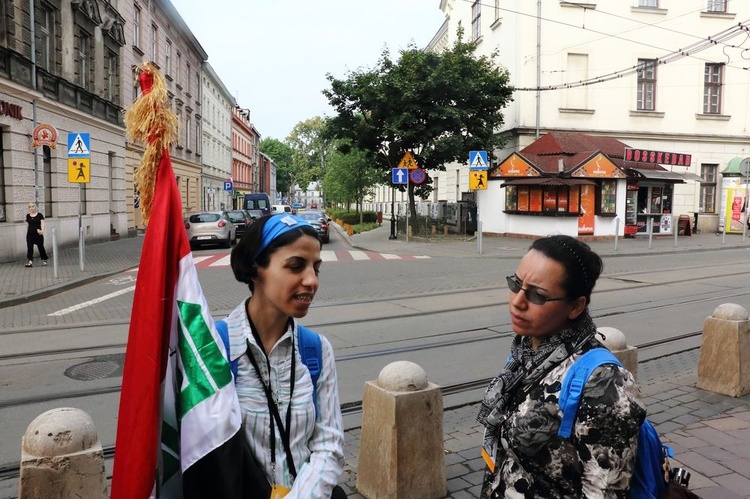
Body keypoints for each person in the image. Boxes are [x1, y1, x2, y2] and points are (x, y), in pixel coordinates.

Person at [477, 235, 645, 498]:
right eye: (516, 284)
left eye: (537, 295)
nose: (517, 301)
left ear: (576, 306)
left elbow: (604, 492)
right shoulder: (527, 352)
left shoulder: (604, 384)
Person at [226, 213, 345, 498]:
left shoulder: (316, 350)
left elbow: (329, 444)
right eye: (295, 266)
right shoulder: (215, 349)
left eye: (316, 268)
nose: (312, 280)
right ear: (256, 269)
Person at [25, 202, 49, 268]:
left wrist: (42, 230)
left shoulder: (39, 215)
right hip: (30, 234)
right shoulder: (28, 216)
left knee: (40, 247)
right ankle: (30, 261)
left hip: (38, 234)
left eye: (33, 206)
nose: (31, 208)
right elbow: (27, 224)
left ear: (35, 207)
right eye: (30, 207)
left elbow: (42, 223)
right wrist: (27, 232)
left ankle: (44, 259)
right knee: (29, 248)